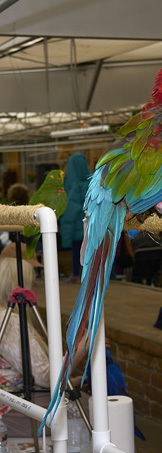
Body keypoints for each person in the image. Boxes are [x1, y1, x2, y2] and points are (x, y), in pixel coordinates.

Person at [0, 242, 90, 436]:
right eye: (33, 282)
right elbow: (46, 377)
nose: (35, 288)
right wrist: (82, 347)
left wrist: (67, 382)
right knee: (91, 407)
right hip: (10, 408)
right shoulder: (11, 322)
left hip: (14, 399)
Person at [59, 153, 92, 283]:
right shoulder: (93, 183)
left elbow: (70, 211)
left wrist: (65, 235)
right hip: (91, 225)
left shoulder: (73, 186)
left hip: (77, 227)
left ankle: (76, 274)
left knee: (76, 250)